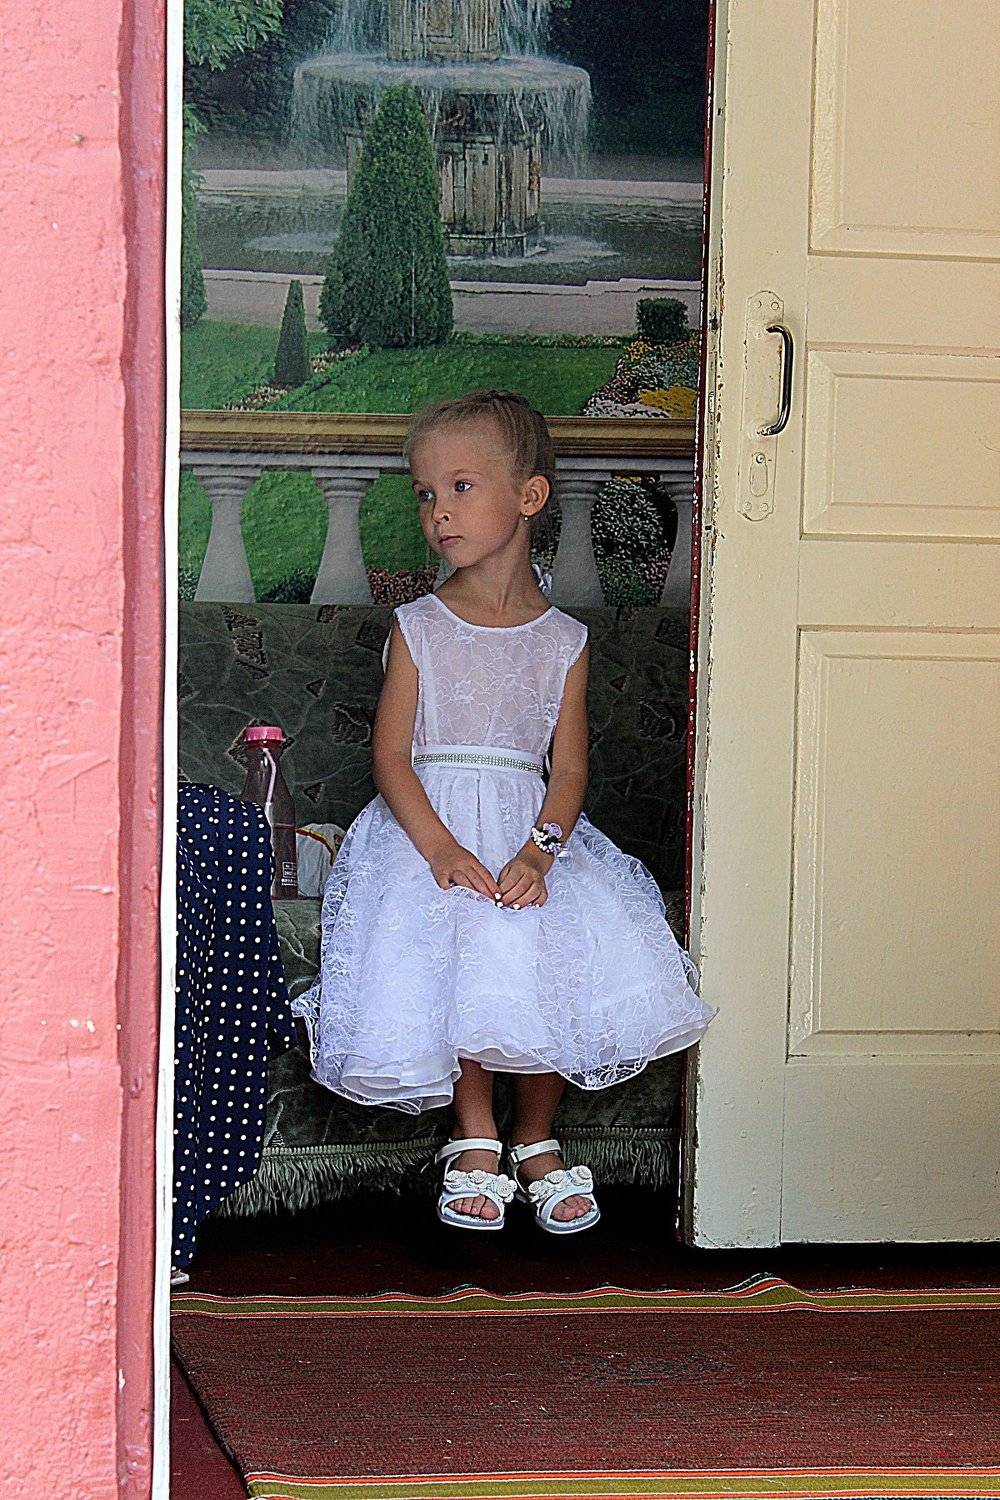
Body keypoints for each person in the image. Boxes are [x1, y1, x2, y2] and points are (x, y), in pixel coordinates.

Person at [292, 389, 719, 1235]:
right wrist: (441, 850)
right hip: (430, 831)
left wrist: (541, 852)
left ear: (529, 496)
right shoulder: (419, 626)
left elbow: (569, 769)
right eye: (425, 494)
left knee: (553, 945)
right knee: (461, 942)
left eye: (461, 487)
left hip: (531, 832)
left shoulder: (564, 640)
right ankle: (476, 1134)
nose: (439, 512)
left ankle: (536, 1137)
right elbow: (392, 757)